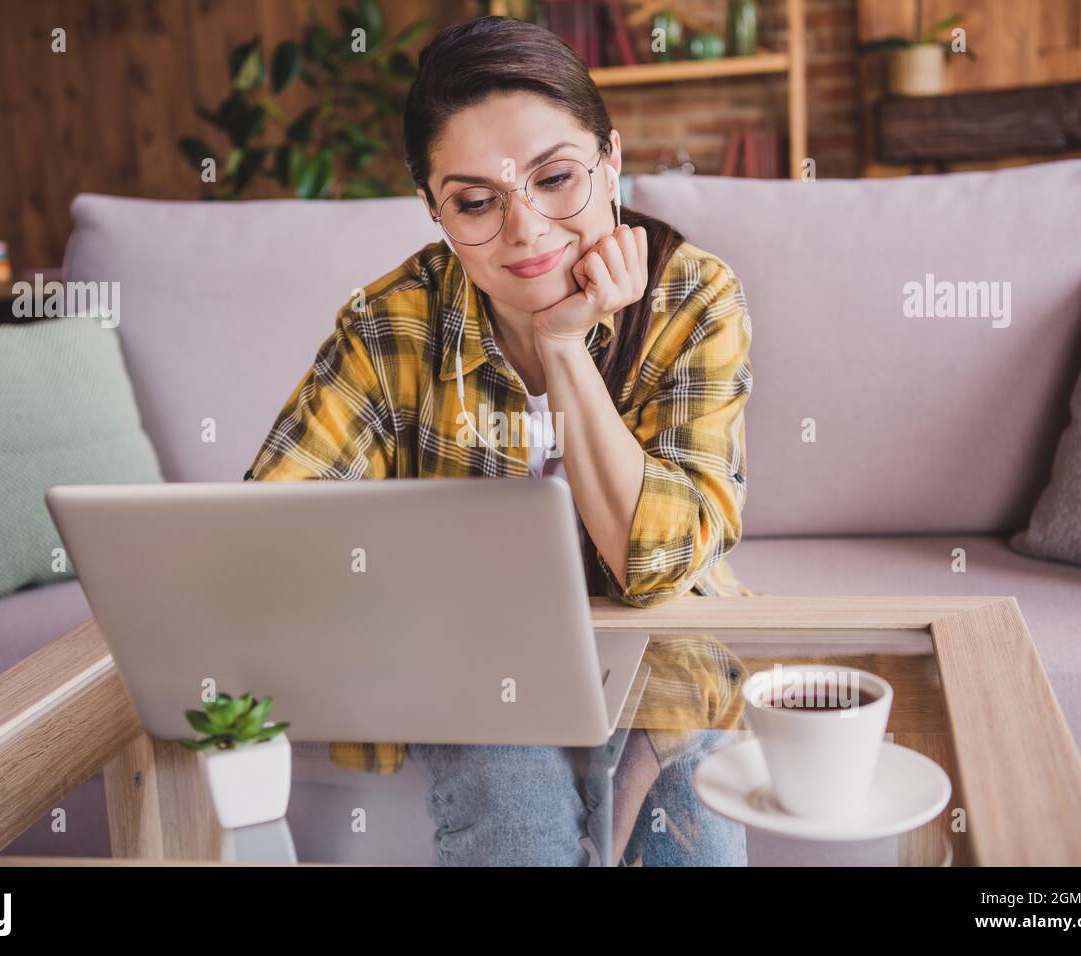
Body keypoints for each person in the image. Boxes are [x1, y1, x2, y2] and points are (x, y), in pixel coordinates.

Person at [245, 15, 754, 866]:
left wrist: (563, 346)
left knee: (689, 799)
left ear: (612, 160)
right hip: (462, 651)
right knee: (510, 809)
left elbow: (654, 564)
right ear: (434, 210)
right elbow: (268, 538)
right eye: (477, 201)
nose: (526, 231)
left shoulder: (696, 301)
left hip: (652, 640)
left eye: (556, 179)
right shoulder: (388, 326)